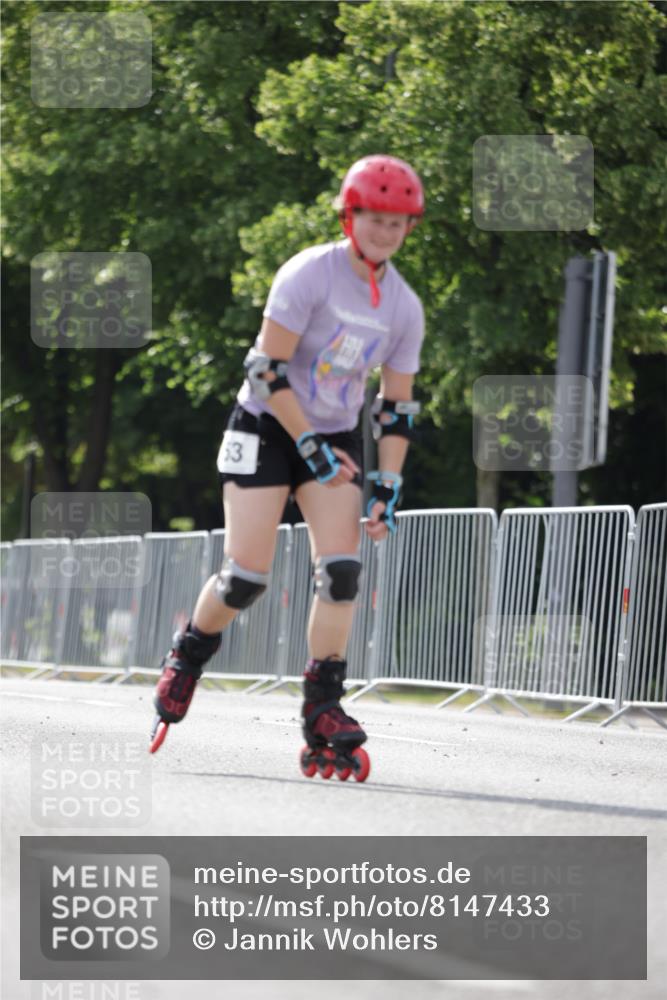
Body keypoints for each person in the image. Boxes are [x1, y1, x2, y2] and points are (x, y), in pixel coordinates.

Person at [150, 154, 425, 781]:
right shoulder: (309, 273)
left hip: (330, 435)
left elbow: (398, 406)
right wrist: (311, 447)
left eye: (398, 223)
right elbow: (265, 372)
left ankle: (323, 706)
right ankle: (190, 652)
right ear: (349, 216)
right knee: (246, 577)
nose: (385, 232)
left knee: (344, 572)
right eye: (374, 219)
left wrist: (388, 483)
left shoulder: (404, 307)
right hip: (269, 426)